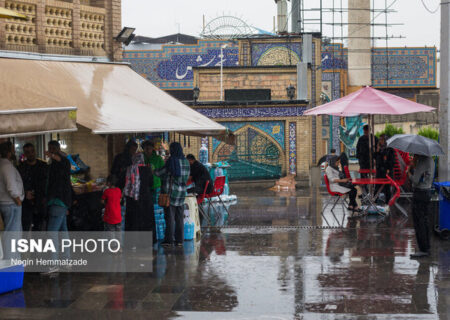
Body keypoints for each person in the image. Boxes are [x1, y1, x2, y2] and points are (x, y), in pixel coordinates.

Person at [44, 141, 72, 274]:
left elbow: (61, 160)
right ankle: (66, 261)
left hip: (58, 201)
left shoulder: (63, 162)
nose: (51, 151)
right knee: (63, 231)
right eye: (50, 149)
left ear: (58, 149)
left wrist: (52, 154)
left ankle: (53, 264)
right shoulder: (56, 164)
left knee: (52, 233)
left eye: (54, 148)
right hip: (61, 201)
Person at [155, 142, 190, 247]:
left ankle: (169, 240)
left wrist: (153, 170)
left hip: (170, 194)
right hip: (182, 193)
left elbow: (160, 173)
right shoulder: (186, 162)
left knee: (169, 218)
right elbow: (187, 177)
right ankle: (179, 240)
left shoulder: (171, 161)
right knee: (179, 218)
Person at [123, 153, 156, 244]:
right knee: (146, 220)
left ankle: (132, 242)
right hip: (146, 198)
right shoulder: (147, 169)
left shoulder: (129, 169)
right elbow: (151, 184)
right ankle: (147, 241)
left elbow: (125, 184)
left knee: (133, 220)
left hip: (132, 199)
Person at [408, 154, 435, 258]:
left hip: (419, 193)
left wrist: (409, 173)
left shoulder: (422, 161)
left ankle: (423, 249)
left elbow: (415, 180)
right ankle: (426, 248)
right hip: (427, 192)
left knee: (419, 222)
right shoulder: (431, 160)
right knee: (425, 221)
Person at [0, 142, 24, 259]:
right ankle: (12, 262)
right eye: (13, 149)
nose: (15, 151)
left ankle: (12, 262)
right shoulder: (7, 166)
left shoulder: (3, 165)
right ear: (9, 152)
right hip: (11, 204)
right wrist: (18, 202)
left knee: (10, 234)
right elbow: (11, 188)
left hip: (6, 203)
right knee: (13, 235)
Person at [18, 143, 48, 231]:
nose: (30, 154)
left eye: (32, 151)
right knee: (25, 226)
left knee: (39, 226)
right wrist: (25, 192)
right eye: (27, 152)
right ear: (24, 153)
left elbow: (48, 182)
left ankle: (36, 244)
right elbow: (17, 184)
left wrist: (46, 196)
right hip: (26, 202)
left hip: (41, 201)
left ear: (35, 151)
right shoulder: (21, 167)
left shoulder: (43, 166)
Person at [102, 175, 122, 251]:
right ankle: (119, 247)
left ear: (109, 183)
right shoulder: (118, 190)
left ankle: (113, 247)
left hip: (110, 216)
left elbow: (102, 201)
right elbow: (120, 199)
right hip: (118, 216)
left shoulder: (106, 191)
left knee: (111, 232)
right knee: (118, 232)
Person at [374, 134, 395, 204]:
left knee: (387, 188)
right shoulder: (380, 148)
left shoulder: (390, 149)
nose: (380, 141)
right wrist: (377, 150)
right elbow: (375, 157)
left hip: (387, 172)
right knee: (377, 187)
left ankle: (387, 203)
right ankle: (375, 202)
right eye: (380, 140)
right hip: (379, 171)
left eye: (381, 139)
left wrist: (388, 169)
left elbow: (391, 162)